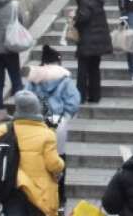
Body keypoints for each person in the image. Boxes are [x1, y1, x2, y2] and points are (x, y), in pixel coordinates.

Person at [0, 90, 64, 216]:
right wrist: (61, 164)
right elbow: (53, 165)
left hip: (11, 189)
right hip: (39, 194)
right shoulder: (47, 134)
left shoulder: (3, 130)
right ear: (36, 110)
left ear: (17, 109)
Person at [26, 46, 80, 212]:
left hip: (37, 122)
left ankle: (38, 195)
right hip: (58, 123)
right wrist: (66, 116)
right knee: (59, 159)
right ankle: (61, 198)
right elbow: (74, 100)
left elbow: (26, 98)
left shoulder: (34, 76)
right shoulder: (64, 77)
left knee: (40, 159)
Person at [71, 0, 112, 104]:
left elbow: (84, 17)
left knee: (82, 69)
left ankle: (80, 96)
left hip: (88, 39)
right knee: (94, 68)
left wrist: (74, 17)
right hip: (98, 39)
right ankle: (95, 96)